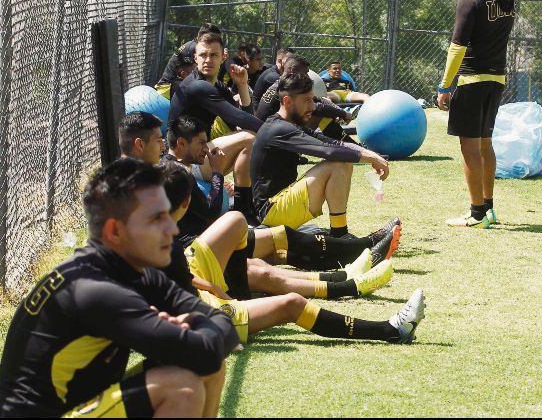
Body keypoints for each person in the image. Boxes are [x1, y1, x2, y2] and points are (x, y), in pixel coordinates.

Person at [0, 158, 239, 418]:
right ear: (115, 231)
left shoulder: (135, 273)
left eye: (168, 214)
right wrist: (195, 332)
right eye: (157, 219)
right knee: (180, 387)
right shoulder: (95, 291)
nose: (172, 227)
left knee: (203, 368)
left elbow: (222, 328)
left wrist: (197, 334)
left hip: (78, 408)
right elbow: (207, 348)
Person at [158, 160, 425, 345]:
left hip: (194, 271)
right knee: (291, 303)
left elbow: (179, 277)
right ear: (186, 201)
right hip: (202, 312)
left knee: (236, 220)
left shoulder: (151, 226)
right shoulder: (155, 243)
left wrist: (219, 288)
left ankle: (341, 274)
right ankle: (389, 329)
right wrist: (220, 299)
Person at [162, 116, 402, 298]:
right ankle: (358, 256)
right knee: (277, 247)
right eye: (202, 143)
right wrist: (216, 171)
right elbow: (210, 212)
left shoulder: (172, 167)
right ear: (181, 143)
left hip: (208, 241)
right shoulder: (177, 172)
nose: (207, 148)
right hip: (204, 245)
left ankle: (348, 268)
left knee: (275, 253)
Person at [436, 0, 515, 228]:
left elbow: (457, 47)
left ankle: (476, 212)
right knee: (485, 143)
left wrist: (445, 87)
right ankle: (489, 207)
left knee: (469, 146)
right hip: (497, 78)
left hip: (471, 78)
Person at [252, 72, 389, 235]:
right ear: (288, 101)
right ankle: (340, 234)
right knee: (338, 162)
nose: (312, 107)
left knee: (342, 158)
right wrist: (370, 158)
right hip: (270, 213)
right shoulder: (279, 129)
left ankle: (340, 234)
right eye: (307, 101)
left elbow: (330, 141)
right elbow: (328, 151)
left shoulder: (287, 125)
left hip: (280, 207)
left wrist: (370, 154)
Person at [170, 31, 264, 224]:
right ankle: (243, 208)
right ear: (195, 58)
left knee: (249, 136)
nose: (208, 60)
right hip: (185, 162)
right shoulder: (197, 86)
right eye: (203, 55)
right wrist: (278, 134)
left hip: (201, 156)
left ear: (224, 56)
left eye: (213, 55)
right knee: (249, 138)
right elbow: (241, 119)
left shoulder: (217, 86)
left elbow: (244, 118)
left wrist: (243, 85)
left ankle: (245, 205)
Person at [255, 55, 357, 145]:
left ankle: (346, 144)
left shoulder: (283, 83)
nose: (307, 76)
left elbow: (317, 99)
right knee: (318, 114)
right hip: (271, 136)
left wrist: (337, 109)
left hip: (271, 130)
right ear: (293, 71)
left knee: (323, 109)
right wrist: (343, 114)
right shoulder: (288, 87)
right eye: (305, 72)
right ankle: (347, 145)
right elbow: (317, 108)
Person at [252, 46, 295, 112]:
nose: (293, 63)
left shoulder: (277, 73)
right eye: (290, 60)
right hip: (258, 116)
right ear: (280, 61)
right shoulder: (272, 76)